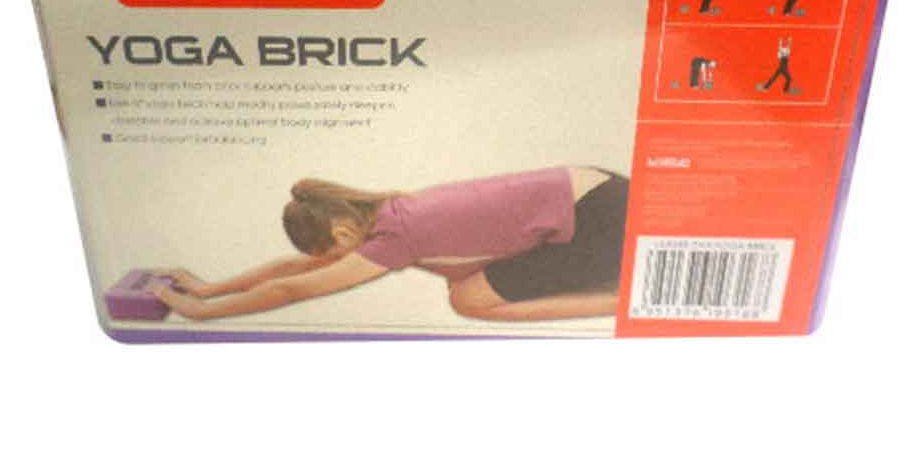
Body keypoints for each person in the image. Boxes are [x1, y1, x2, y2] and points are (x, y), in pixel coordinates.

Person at [147, 167, 629, 322]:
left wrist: (202, 314)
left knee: (469, 299)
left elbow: (292, 288)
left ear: (341, 235)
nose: (332, 265)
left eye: (331, 256)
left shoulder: (397, 235)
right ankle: (607, 285)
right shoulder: (388, 212)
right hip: (601, 195)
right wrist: (207, 289)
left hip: (604, 222)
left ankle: (616, 301)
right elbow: (294, 269)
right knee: (469, 282)